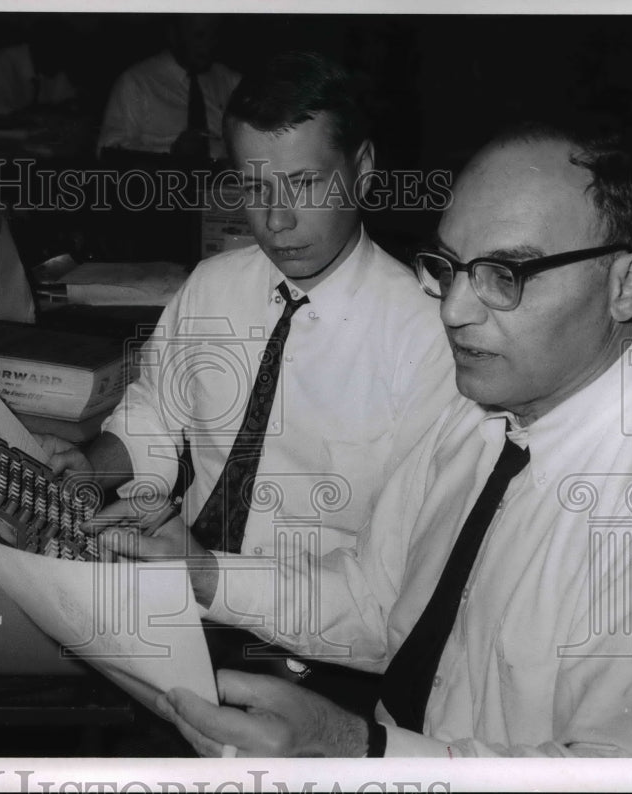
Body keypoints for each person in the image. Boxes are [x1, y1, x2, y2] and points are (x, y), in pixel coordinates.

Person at [102, 122, 632, 757]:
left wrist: (354, 751)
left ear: (626, 286)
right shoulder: (479, 418)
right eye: (449, 267)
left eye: (506, 274)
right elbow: (379, 604)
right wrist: (202, 574)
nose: (453, 308)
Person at [45, 51, 455, 588]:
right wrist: (92, 468)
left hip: (315, 627)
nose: (277, 220)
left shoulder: (427, 337)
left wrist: (213, 579)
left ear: (364, 169)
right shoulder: (212, 285)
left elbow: (394, 576)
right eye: (256, 188)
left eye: (305, 184)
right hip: (178, 574)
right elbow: (155, 416)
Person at [96, 14, 241, 161]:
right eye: (199, 36)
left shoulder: (230, 81)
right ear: (173, 35)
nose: (209, 44)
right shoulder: (136, 82)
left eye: (215, 35)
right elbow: (109, 151)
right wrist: (170, 154)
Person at [0, 16, 79, 126]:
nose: (62, 65)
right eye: (59, 56)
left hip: (21, 134)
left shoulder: (53, 65)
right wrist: (44, 113)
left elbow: (65, 101)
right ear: (40, 48)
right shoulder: (2, 61)